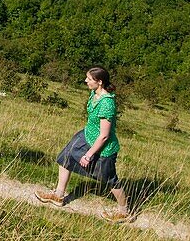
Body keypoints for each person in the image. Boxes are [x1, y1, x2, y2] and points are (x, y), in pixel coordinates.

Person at [35, 66, 131, 223]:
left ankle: (124, 211)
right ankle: (58, 195)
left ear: (99, 82)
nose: (86, 80)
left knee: (109, 179)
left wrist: (88, 154)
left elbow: (105, 136)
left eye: (89, 79)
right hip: (86, 135)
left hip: (103, 147)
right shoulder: (95, 93)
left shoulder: (107, 104)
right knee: (65, 158)